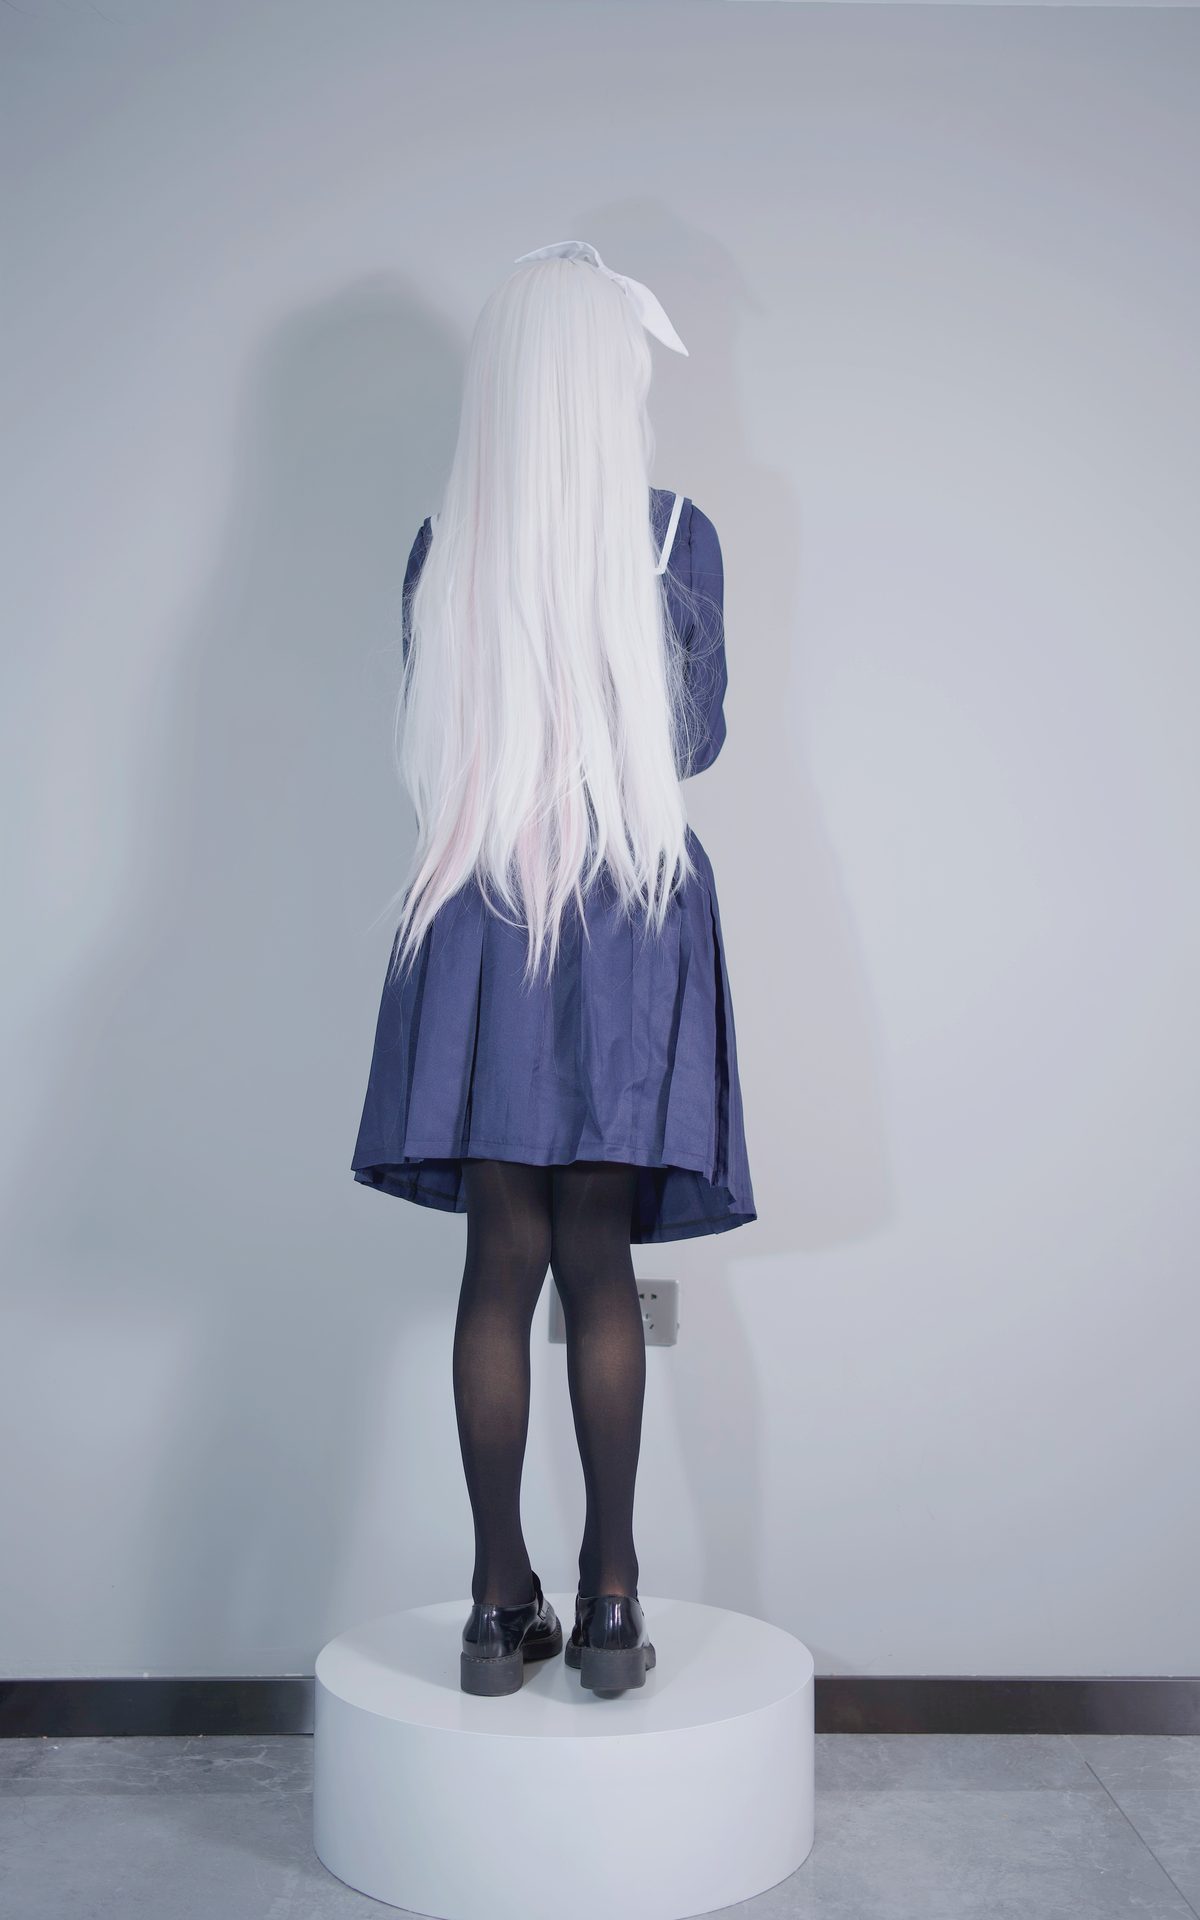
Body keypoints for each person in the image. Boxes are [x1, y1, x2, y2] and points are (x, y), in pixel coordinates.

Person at [350, 240, 756, 1698]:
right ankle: (612, 1602)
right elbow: (696, 746)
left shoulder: (444, 547)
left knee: (496, 1261)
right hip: (627, 908)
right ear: (607, 383)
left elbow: (431, 752)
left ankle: (491, 1606)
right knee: (598, 1258)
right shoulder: (675, 538)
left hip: (481, 904)